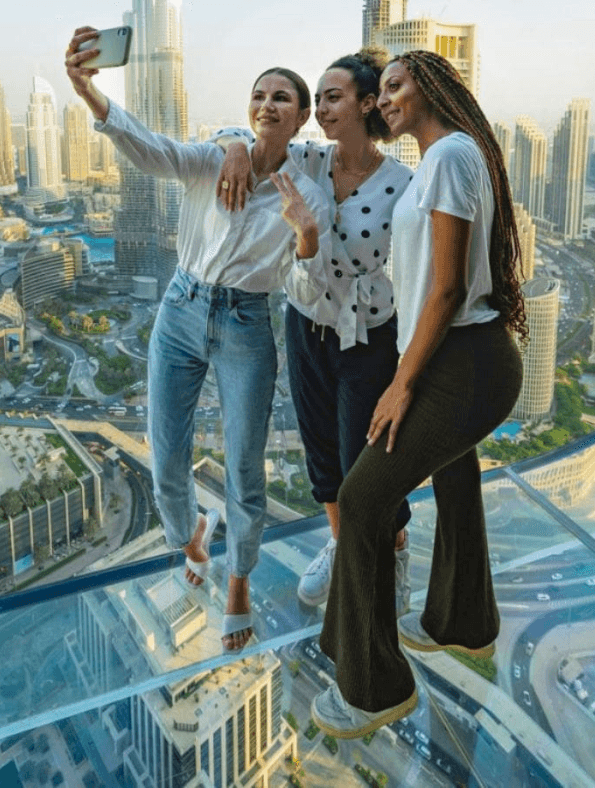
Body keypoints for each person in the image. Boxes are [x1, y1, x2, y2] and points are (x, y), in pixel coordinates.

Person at [65, 28, 334, 653]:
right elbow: (150, 150)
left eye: (282, 99)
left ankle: (238, 578)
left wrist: (306, 237)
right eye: (259, 96)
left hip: (247, 323)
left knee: (245, 463)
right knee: (165, 448)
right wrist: (89, 94)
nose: (267, 104)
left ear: (299, 120)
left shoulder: (309, 194)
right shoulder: (217, 158)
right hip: (181, 308)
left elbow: (306, 286)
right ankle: (190, 536)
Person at [310, 50, 526, 739]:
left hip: (464, 361)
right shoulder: (443, 159)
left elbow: (447, 288)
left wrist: (402, 385)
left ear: (431, 86)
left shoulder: (450, 157)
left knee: (366, 498)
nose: (384, 100)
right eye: (381, 92)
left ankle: (372, 689)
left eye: (396, 85)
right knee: (454, 472)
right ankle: (462, 621)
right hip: (453, 357)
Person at [212, 48, 413, 616]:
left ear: (366, 104)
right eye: (318, 99)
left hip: (367, 336)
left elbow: (371, 264)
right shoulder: (307, 160)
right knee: (321, 452)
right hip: (306, 326)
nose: (321, 109)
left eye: (333, 97)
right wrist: (232, 146)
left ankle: (395, 548)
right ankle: (340, 542)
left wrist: (307, 238)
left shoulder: (402, 184)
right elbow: (254, 132)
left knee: (365, 461)